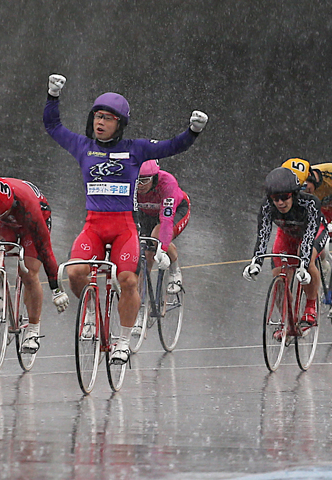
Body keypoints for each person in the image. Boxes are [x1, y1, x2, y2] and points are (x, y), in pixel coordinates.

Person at [43, 73, 208, 365]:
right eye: (97, 116)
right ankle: (92, 310)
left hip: (123, 228)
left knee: (128, 280)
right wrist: (52, 98)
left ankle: (122, 340)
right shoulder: (83, 147)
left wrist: (192, 132)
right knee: (75, 273)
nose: (100, 122)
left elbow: (172, 146)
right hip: (93, 226)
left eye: (108, 118)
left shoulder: (135, 149)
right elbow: (53, 126)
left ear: (120, 124)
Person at [0, 177, 69, 354]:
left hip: (34, 218)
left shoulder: (28, 204)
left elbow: (45, 249)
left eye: (1, 212)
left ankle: (33, 330)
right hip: (8, 221)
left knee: (29, 272)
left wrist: (56, 288)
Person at [243, 167, 328, 329]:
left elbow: (309, 237)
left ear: (294, 194)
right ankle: (288, 320)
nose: (280, 203)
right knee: (278, 276)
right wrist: (256, 263)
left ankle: (310, 307)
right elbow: (263, 235)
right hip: (287, 234)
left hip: (313, 232)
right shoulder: (267, 207)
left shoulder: (310, 203)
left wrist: (302, 264)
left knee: (307, 260)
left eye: (284, 197)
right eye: (276, 199)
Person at [282, 158, 332, 319]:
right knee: (310, 248)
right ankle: (323, 263)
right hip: (322, 213)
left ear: (311, 177)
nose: (305, 192)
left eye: (306, 188)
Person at [136, 159, 190, 294]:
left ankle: (175, 271)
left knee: (156, 237)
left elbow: (166, 220)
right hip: (147, 214)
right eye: (137, 180)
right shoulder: (130, 182)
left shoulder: (167, 183)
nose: (140, 185)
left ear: (154, 177)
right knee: (146, 255)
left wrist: (163, 248)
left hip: (175, 211)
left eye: (145, 180)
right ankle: (140, 301)